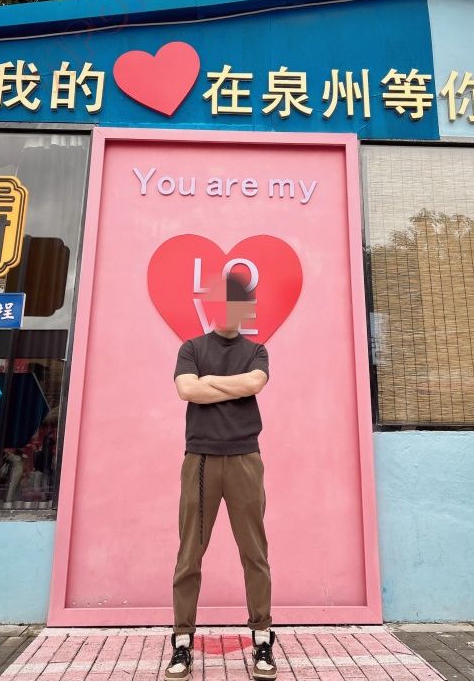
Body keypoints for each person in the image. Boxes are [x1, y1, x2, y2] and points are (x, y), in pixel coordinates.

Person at [164, 273, 277, 680]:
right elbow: (187, 391)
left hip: (245, 458)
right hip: (200, 460)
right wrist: (231, 387)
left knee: (254, 553)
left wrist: (209, 382)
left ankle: (262, 637)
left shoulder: (257, 350)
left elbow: (255, 383)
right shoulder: (191, 348)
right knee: (189, 553)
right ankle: (182, 642)